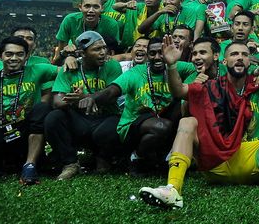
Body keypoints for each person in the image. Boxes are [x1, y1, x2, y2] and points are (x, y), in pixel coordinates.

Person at [139, 34, 259, 209]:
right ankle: (172, 189)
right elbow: (178, 91)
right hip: (216, 163)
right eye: (234, 54)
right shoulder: (211, 86)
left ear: (250, 62)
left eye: (244, 55)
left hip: (253, 160)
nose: (240, 57)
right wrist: (171, 65)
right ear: (224, 61)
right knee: (187, 122)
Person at [79, 37, 197, 175]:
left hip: (163, 115)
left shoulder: (176, 66)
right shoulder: (136, 72)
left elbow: (197, 68)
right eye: (152, 53)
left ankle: (165, 156)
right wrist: (93, 97)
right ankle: (137, 157)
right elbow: (113, 90)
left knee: (184, 103)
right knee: (162, 126)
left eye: (161, 52)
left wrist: (193, 80)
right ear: (147, 55)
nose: (157, 57)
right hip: (136, 122)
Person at [0, 37, 58, 184]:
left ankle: (29, 165)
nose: (14, 58)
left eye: (19, 54)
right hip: (0, 129)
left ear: (26, 57)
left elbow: (67, 70)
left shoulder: (38, 70)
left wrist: (69, 59)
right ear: (0, 56)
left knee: (42, 108)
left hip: (26, 129)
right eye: (9, 54)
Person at [44, 31, 123, 180]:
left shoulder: (112, 65)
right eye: (96, 49)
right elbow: (57, 101)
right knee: (53, 118)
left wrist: (84, 97)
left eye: (104, 48)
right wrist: (78, 101)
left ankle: (102, 157)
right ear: (82, 53)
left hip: (104, 117)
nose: (103, 53)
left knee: (114, 127)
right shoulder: (70, 68)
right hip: (79, 120)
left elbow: (112, 95)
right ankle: (70, 163)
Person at [53, 0, 121, 63]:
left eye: (96, 7)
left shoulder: (111, 24)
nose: (91, 10)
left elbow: (112, 54)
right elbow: (59, 58)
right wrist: (68, 57)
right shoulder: (69, 20)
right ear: (80, 7)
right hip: (75, 58)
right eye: (87, 6)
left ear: (102, 8)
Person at [137, 0, 206, 41]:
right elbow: (141, 30)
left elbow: (187, 36)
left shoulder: (189, 12)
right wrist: (158, 12)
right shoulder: (162, 14)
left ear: (181, 1)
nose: (168, 2)